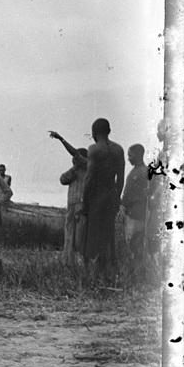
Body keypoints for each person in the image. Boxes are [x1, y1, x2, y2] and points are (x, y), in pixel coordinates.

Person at [81, 118, 125, 276]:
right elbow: (120, 178)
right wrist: (116, 198)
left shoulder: (93, 149)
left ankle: (94, 272)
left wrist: (84, 203)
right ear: (109, 131)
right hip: (111, 195)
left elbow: (89, 178)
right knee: (108, 234)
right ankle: (109, 270)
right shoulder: (118, 149)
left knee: (93, 235)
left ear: (93, 133)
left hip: (96, 197)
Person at [50, 131, 89, 266]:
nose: (74, 160)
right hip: (72, 206)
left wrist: (61, 139)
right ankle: (70, 264)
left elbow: (75, 155)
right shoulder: (76, 170)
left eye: (76, 158)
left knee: (79, 239)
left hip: (81, 206)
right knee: (70, 236)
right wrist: (74, 169)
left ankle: (79, 264)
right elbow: (62, 179)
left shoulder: (88, 168)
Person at [121, 143, 149, 279]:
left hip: (137, 212)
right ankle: (136, 274)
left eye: (130, 155)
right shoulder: (137, 170)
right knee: (132, 244)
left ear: (138, 155)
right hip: (131, 212)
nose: (128, 158)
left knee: (136, 244)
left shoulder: (143, 171)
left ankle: (138, 275)